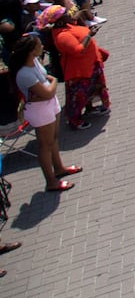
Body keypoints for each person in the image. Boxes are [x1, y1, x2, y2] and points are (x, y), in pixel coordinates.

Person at [13, 33, 80, 193]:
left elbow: (46, 82)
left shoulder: (35, 61)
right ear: (31, 50)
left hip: (49, 104)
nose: (42, 47)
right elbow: (47, 91)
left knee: (53, 139)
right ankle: (50, 182)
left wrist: (49, 84)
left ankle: (59, 168)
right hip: (39, 110)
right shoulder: (24, 74)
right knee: (45, 144)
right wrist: (54, 82)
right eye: (39, 45)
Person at [53, 10, 110, 129]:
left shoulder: (68, 25)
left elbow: (78, 25)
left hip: (91, 64)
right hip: (80, 70)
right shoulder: (62, 35)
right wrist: (89, 35)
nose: (69, 14)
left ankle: (90, 109)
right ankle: (74, 121)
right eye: (65, 14)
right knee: (78, 96)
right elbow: (78, 50)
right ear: (59, 21)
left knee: (93, 88)